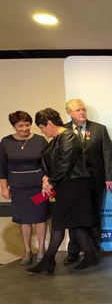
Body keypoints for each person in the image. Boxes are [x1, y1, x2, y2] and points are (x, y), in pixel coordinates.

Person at [27, 108, 96, 274]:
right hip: (64, 185)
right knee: (71, 224)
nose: (42, 131)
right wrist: (46, 177)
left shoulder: (68, 137)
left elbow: (65, 163)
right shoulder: (58, 139)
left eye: (42, 127)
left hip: (73, 185)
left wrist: (50, 181)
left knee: (61, 223)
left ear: (49, 123)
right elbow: (49, 163)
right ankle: (88, 255)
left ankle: (49, 260)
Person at [63, 99, 112, 265]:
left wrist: (109, 177)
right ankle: (73, 251)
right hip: (72, 182)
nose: (82, 112)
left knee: (93, 214)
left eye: (83, 109)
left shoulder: (99, 129)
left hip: (95, 179)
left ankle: (93, 249)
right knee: (74, 217)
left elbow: (108, 153)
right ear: (69, 113)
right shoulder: (63, 130)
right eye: (78, 110)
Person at [0, 111, 48, 264]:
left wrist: (46, 180)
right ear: (14, 126)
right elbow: (2, 167)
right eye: (20, 126)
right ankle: (27, 250)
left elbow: (47, 164)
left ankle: (41, 249)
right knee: (24, 219)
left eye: (27, 125)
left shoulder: (40, 140)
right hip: (18, 187)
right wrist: (3, 187)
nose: (24, 129)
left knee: (40, 217)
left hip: (39, 187)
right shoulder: (5, 142)